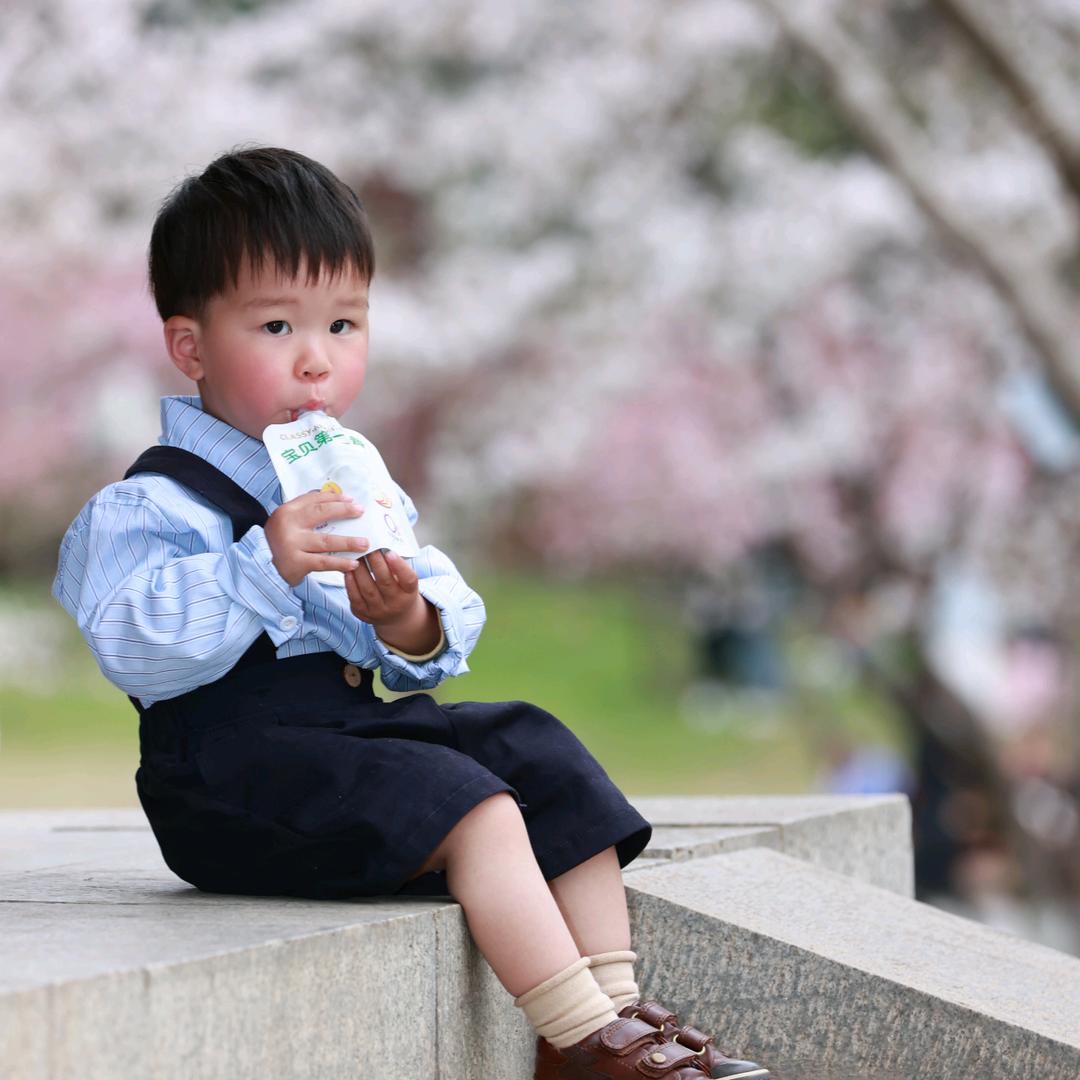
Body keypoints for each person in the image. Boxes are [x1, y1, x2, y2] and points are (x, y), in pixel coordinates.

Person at [51, 146, 771, 1079]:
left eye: (344, 324)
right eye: (276, 325)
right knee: (470, 804)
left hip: (347, 741)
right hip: (229, 783)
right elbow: (134, 646)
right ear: (192, 347)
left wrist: (405, 618)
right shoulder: (149, 506)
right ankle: (580, 1036)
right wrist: (261, 565)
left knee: (537, 753)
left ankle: (616, 1011)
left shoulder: (351, 478)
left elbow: (431, 618)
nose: (316, 358)